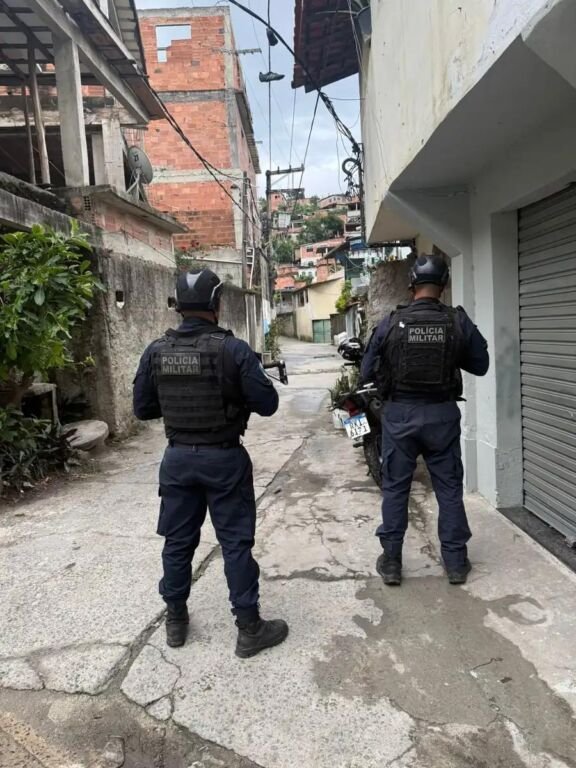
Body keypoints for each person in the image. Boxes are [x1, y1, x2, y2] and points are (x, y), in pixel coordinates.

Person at [133, 269, 288, 658]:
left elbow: (143, 408)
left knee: (178, 542)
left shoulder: (156, 350)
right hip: (224, 458)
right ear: (217, 305)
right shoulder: (232, 350)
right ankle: (249, 628)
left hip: (178, 459)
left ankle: (175, 621)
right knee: (235, 544)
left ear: (178, 307)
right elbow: (268, 405)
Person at [361, 254, 489, 586]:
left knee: (395, 489)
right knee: (448, 489)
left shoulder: (391, 322)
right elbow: (481, 364)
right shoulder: (456, 321)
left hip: (400, 416)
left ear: (411, 286)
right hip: (441, 416)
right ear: (443, 287)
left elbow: (367, 371)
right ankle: (456, 563)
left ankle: (391, 562)